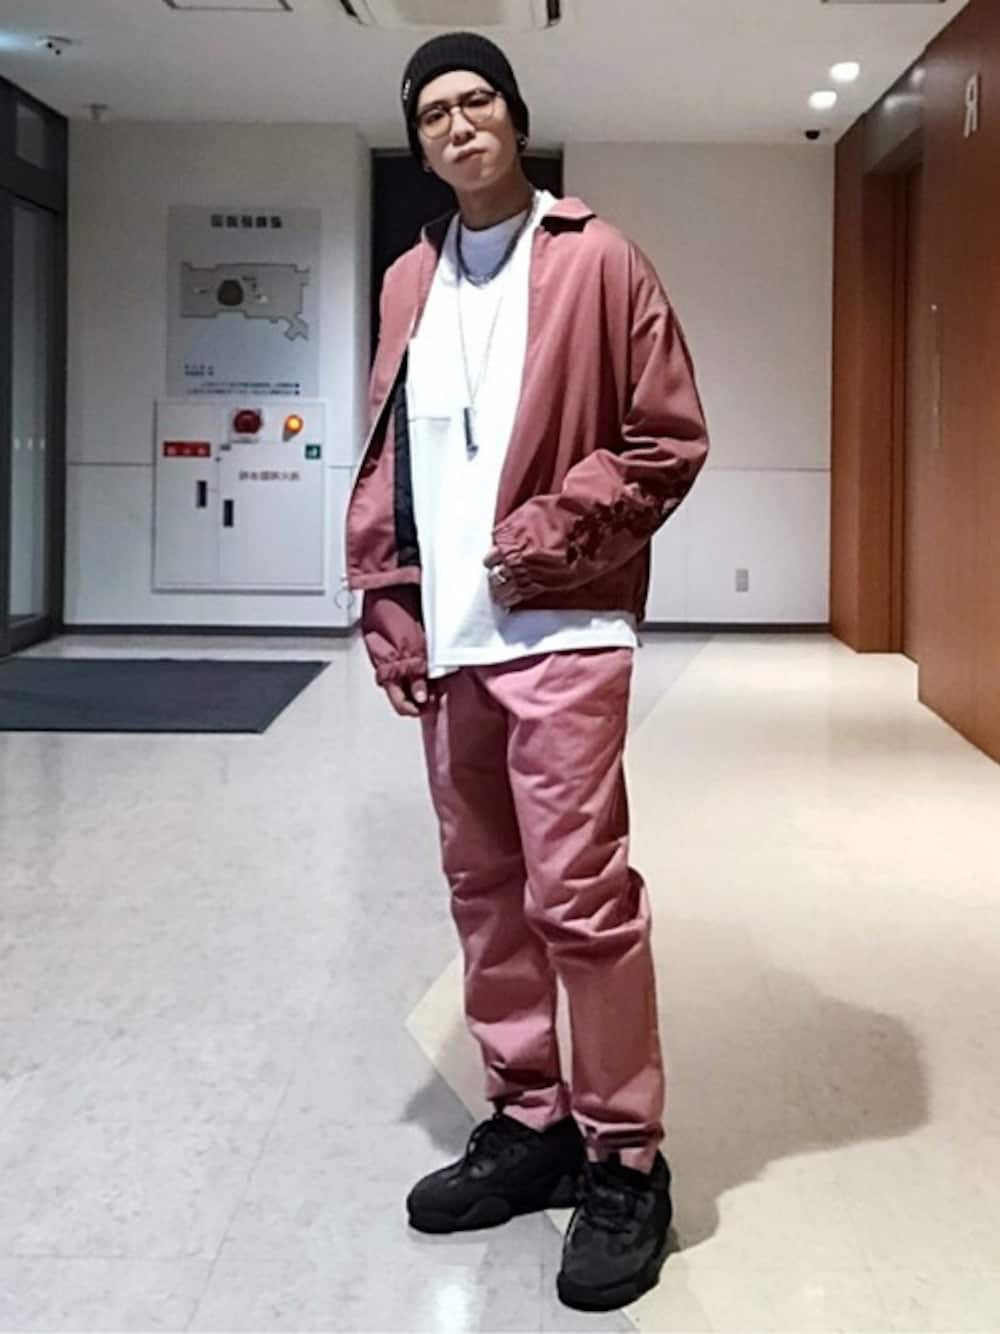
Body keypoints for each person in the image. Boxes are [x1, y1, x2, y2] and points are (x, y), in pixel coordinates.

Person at [345, 31, 709, 1313]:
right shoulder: (409, 278)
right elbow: (391, 452)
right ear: (420, 141)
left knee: (580, 899)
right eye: (433, 113)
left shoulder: (596, 257)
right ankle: (530, 1117)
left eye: (477, 101)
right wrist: (389, 598)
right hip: (452, 645)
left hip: (563, 628)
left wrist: (542, 538)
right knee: (484, 893)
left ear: (514, 115)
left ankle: (624, 1158)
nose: (458, 126)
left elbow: (665, 437)